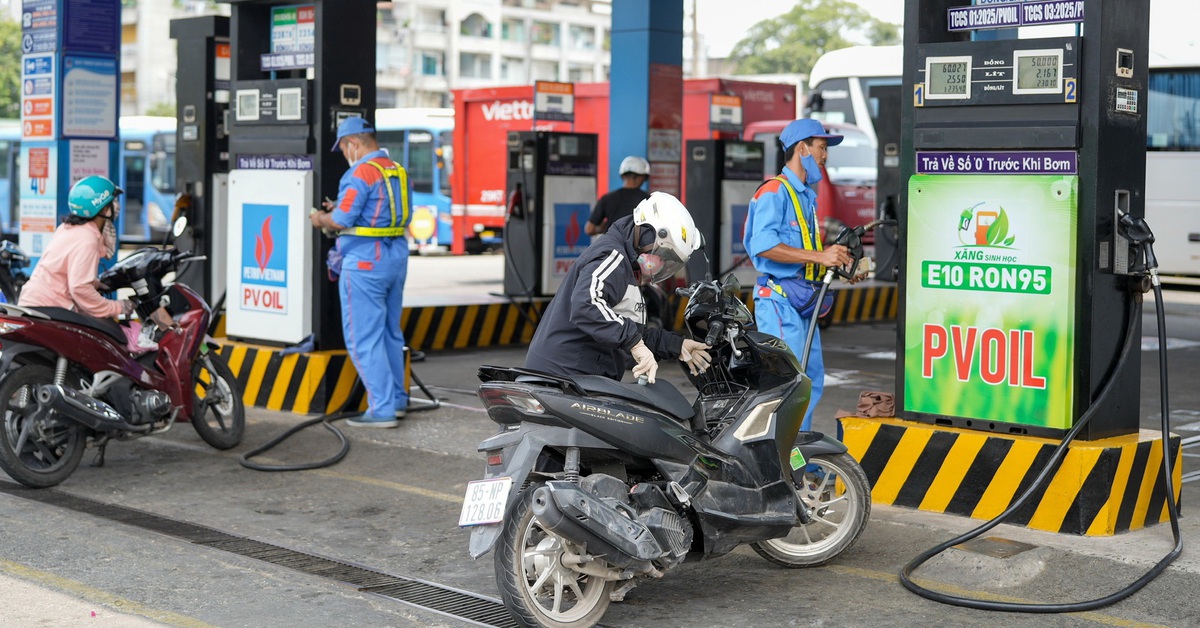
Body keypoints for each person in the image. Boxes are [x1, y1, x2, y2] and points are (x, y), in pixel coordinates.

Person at [525, 191, 711, 384]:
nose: (662, 264)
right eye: (662, 255)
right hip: (564, 376)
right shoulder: (613, 257)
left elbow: (628, 328)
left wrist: (677, 345)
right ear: (648, 233)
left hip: (580, 376)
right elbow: (586, 304)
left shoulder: (629, 267)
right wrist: (634, 343)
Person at [742, 118, 855, 432]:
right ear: (802, 148)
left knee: (810, 379)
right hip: (778, 303)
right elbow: (763, 246)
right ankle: (781, 461)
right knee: (790, 383)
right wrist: (821, 255)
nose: (825, 155)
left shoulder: (806, 196)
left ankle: (800, 457)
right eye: (821, 147)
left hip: (802, 301)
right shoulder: (774, 192)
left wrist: (835, 264)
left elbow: (805, 253)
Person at [310, 116, 412, 428]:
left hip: (366, 263)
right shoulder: (396, 169)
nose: (344, 155)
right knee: (390, 333)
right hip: (395, 257)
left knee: (362, 338)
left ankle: (380, 410)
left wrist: (319, 218)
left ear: (353, 143)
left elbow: (342, 219)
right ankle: (396, 401)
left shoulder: (360, 172)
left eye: (343, 149)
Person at [19, 175, 135, 321]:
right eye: (114, 201)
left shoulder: (69, 228)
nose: (117, 206)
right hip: (49, 307)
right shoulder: (87, 239)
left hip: (36, 302)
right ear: (104, 209)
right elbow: (80, 288)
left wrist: (96, 283)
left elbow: (63, 270)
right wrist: (117, 307)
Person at [585, 156, 651, 236]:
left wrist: (603, 228)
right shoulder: (648, 200)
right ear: (641, 177)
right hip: (637, 246)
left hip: (611, 245)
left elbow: (589, 229)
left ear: (623, 176)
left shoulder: (607, 199)